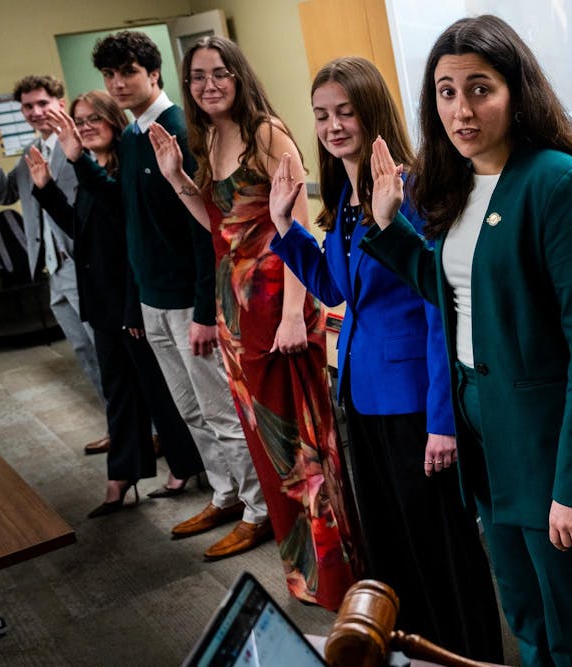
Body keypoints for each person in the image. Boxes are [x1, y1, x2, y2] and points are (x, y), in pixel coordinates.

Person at [363, 15, 572, 666]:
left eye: (480, 88)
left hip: (551, 447)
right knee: (526, 620)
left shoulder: (558, 183)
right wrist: (389, 230)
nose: (460, 108)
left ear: (517, 90)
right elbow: (463, 296)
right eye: (445, 91)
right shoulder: (462, 184)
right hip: (490, 444)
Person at [266, 56, 502, 655]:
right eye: (321, 115)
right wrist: (286, 227)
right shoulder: (346, 193)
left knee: (440, 544)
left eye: (345, 111)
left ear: (373, 112)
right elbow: (337, 289)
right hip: (361, 396)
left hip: (415, 404)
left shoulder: (409, 186)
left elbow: (435, 308)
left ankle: (466, 653)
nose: (333, 125)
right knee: (392, 543)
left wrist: (442, 424)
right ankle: (411, 651)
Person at [147, 36, 358, 610]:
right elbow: (218, 223)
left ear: (239, 76)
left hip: (278, 304)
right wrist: (175, 177)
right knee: (268, 447)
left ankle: (339, 574)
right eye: (197, 76)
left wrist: (295, 314)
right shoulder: (208, 137)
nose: (209, 85)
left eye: (219, 73)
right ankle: (305, 576)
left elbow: (296, 228)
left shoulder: (268, 132)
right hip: (235, 307)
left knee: (301, 446)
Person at [91, 31, 270, 561]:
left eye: (127, 71)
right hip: (152, 302)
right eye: (108, 75)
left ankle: (258, 511)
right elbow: (131, 224)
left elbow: (205, 232)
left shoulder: (181, 131)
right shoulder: (129, 137)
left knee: (221, 412)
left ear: (155, 73)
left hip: (191, 305)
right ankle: (226, 494)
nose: (117, 83)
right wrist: (135, 304)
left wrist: (202, 311)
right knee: (190, 412)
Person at [26, 91, 205, 518]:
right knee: (118, 392)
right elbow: (80, 229)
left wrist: (132, 310)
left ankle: (183, 467)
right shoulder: (94, 173)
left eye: (92, 120)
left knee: (158, 392)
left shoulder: (125, 171)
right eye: (79, 121)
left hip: (132, 303)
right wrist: (46, 191)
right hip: (103, 303)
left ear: (113, 121)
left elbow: (133, 246)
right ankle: (122, 474)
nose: (84, 127)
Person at [0, 75, 109, 455]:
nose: (35, 113)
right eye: (28, 107)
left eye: (42, 104)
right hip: (53, 271)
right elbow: (5, 193)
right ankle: (118, 427)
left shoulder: (79, 147)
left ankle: (148, 430)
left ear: (60, 103)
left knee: (109, 352)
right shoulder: (31, 149)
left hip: (85, 267)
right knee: (85, 354)